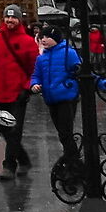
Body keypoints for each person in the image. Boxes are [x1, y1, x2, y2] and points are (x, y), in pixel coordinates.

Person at [0, 4, 40, 178]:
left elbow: (34, 67)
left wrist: (27, 87)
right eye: (7, 17)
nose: (10, 20)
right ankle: (23, 159)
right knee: (2, 128)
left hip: (17, 93)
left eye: (13, 17)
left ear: (19, 19)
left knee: (14, 130)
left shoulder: (27, 41)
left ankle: (9, 165)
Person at [32, 29, 83, 170]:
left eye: (47, 37)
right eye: (42, 37)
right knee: (62, 133)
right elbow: (36, 75)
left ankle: (73, 162)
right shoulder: (41, 58)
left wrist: (102, 84)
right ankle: (72, 160)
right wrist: (34, 85)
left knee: (65, 132)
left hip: (66, 97)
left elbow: (82, 71)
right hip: (51, 99)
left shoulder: (69, 53)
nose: (43, 39)